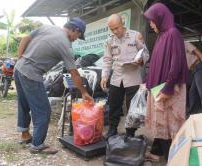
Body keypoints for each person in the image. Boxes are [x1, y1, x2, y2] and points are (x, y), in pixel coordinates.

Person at [14, 17, 93, 154]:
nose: (76, 39)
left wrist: (20, 58)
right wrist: (84, 92)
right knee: (43, 110)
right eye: (78, 36)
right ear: (76, 30)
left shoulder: (48, 28)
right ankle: (37, 145)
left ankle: (25, 135)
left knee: (24, 103)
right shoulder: (66, 45)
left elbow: (25, 38)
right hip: (31, 74)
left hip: (19, 69)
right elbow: (74, 74)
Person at [143, 3, 188, 161]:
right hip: (159, 87)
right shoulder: (161, 36)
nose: (150, 24)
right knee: (162, 123)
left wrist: (168, 87)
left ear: (160, 18)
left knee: (170, 124)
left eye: (152, 20)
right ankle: (158, 153)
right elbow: (156, 63)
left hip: (169, 87)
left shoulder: (173, 34)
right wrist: (147, 82)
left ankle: (174, 158)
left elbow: (176, 64)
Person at [101, 14, 149, 138]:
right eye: (112, 29)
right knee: (114, 105)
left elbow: (145, 53)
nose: (115, 31)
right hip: (116, 78)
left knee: (132, 107)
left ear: (123, 22)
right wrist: (104, 76)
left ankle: (130, 132)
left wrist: (141, 60)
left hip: (133, 77)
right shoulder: (110, 40)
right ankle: (112, 129)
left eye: (117, 28)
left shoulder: (135, 36)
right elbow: (107, 60)